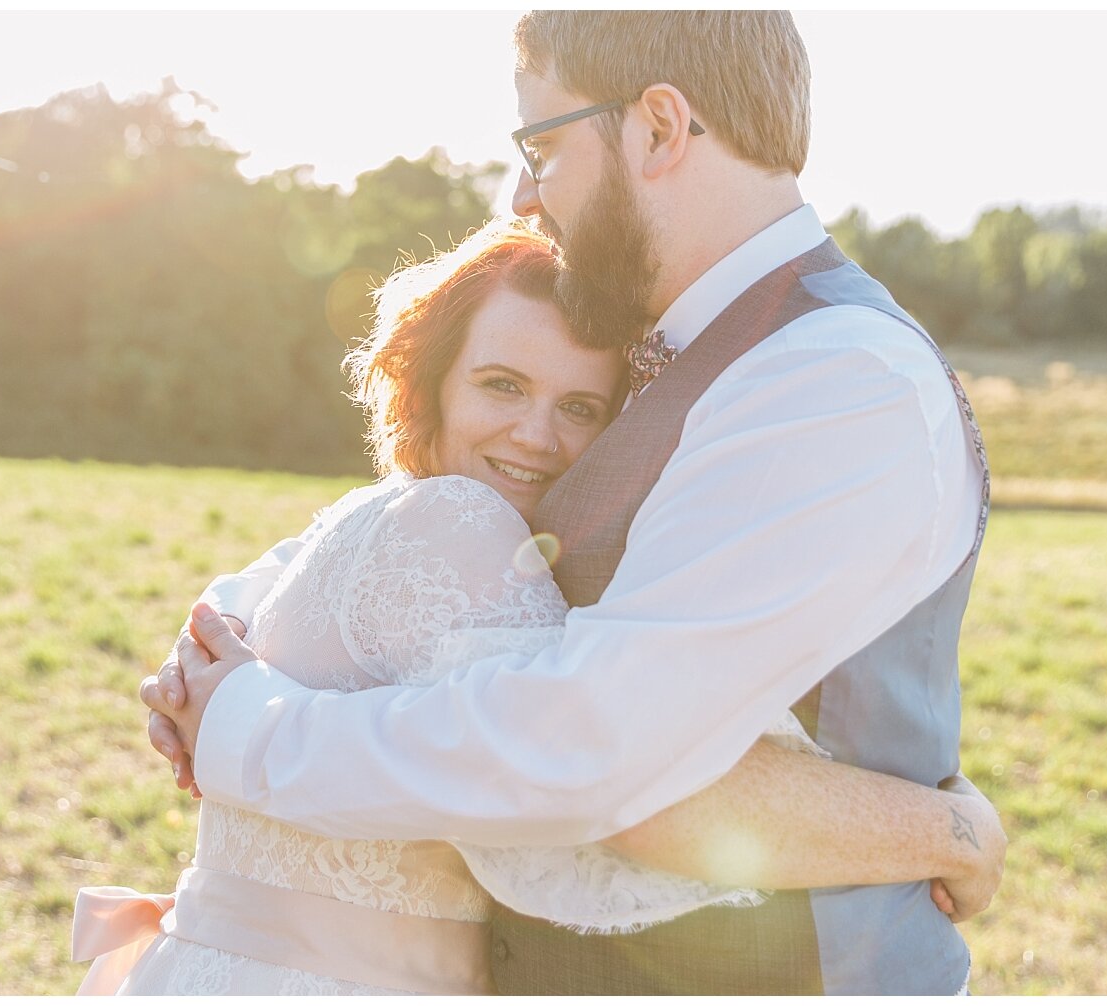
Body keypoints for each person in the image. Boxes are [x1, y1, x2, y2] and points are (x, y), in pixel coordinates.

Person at [145, 11, 996, 994]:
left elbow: (599, 747)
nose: (520, 194)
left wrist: (248, 727)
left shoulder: (834, 378)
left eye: (543, 147)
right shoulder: (678, 348)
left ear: (660, 129)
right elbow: (435, 531)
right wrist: (235, 616)